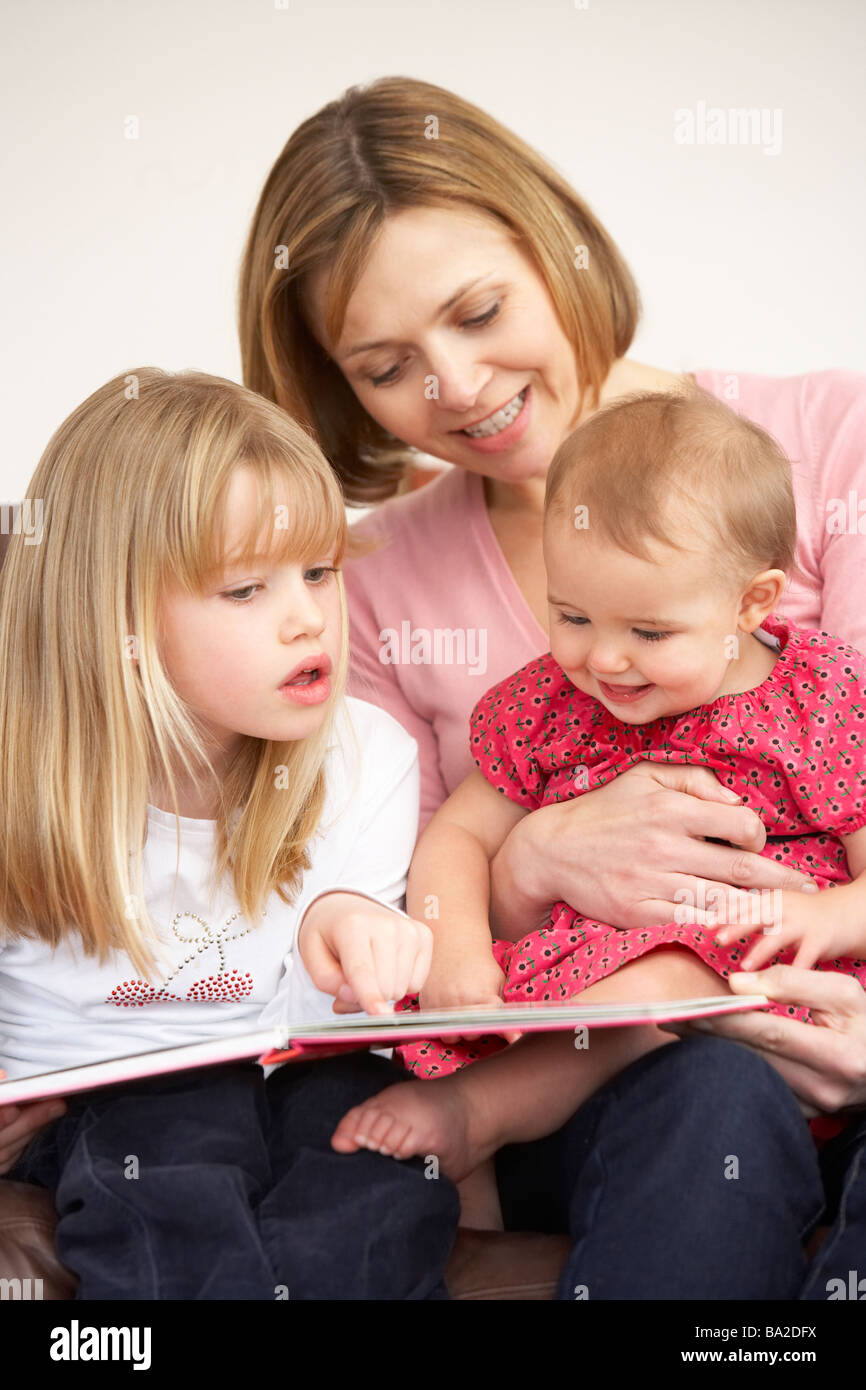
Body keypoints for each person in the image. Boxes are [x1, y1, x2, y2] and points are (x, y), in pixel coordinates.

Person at [231, 74, 866, 1297]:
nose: (458, 386)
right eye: (385, 365)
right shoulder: (366, 578)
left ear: (554, 242)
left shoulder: (827, 443)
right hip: (612, 1071)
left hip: (821, 1000)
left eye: (478, 310)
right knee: (704, 1093)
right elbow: (389, 901)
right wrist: (533, 861)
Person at [328, 387, 866, 1196]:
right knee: (451, 1033)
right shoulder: (548, 704)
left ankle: (477, 1114)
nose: (604, 660)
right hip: (567, 993)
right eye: (572, 616)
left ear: (751, 601)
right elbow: (460, 838)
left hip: (756, 989)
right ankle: (469, 1202)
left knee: (672, 980)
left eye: (649, 633)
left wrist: (822, 915)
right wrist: (461, 949)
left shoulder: (821, 697)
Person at [0, 366, 459, 1300]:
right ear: (117, 620)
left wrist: (368, 936)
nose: (307, 618)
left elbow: (334, 1007)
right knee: (177, 1141)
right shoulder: (22, 777)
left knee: (378, 1173)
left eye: (320, 572)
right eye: (246, 589)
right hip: (105, 1096)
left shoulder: (368, 754)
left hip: (294, 1078)